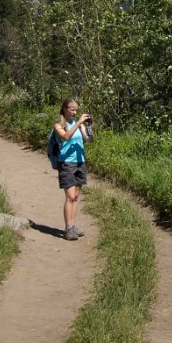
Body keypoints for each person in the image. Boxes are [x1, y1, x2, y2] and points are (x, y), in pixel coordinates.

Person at [53, 98, 93, 241]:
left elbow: (89, 140)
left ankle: (73, 225)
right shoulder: (59, 124)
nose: (75, 112)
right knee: (70, 197)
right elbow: (65, 137)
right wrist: (78, 123)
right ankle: (68, 228)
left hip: (80, 162)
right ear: (65, 109)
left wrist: (89, 128)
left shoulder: (79, 125)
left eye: (76, 110)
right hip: (67, 164)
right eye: (72, 109)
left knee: (75, 197)